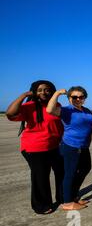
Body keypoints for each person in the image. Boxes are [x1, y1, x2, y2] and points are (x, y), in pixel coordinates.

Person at [6, 80, 64, 214]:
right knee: (41, 177)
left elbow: (59, 125)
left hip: (54, 146)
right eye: (40, 90)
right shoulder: (29, 105)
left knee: (61, 172)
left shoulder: (56, 105)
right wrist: (24, 95)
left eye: (47, 90)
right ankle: (41, 205)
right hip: (35, 148)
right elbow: (10, 113)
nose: (44, 92)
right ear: (34, 92)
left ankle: (63, 197)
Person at [47, 86, 92, 210]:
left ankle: (73, 196)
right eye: (74, 97)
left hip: (84, 147)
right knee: (70, 173)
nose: (78, 99)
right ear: (69, 98)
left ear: (84, 98)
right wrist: (57, 93)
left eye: (81, 97)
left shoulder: (87, 111)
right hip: (70, 146)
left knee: (85, 168)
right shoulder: (66, 110)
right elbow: (49, 110)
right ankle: (67, 202)